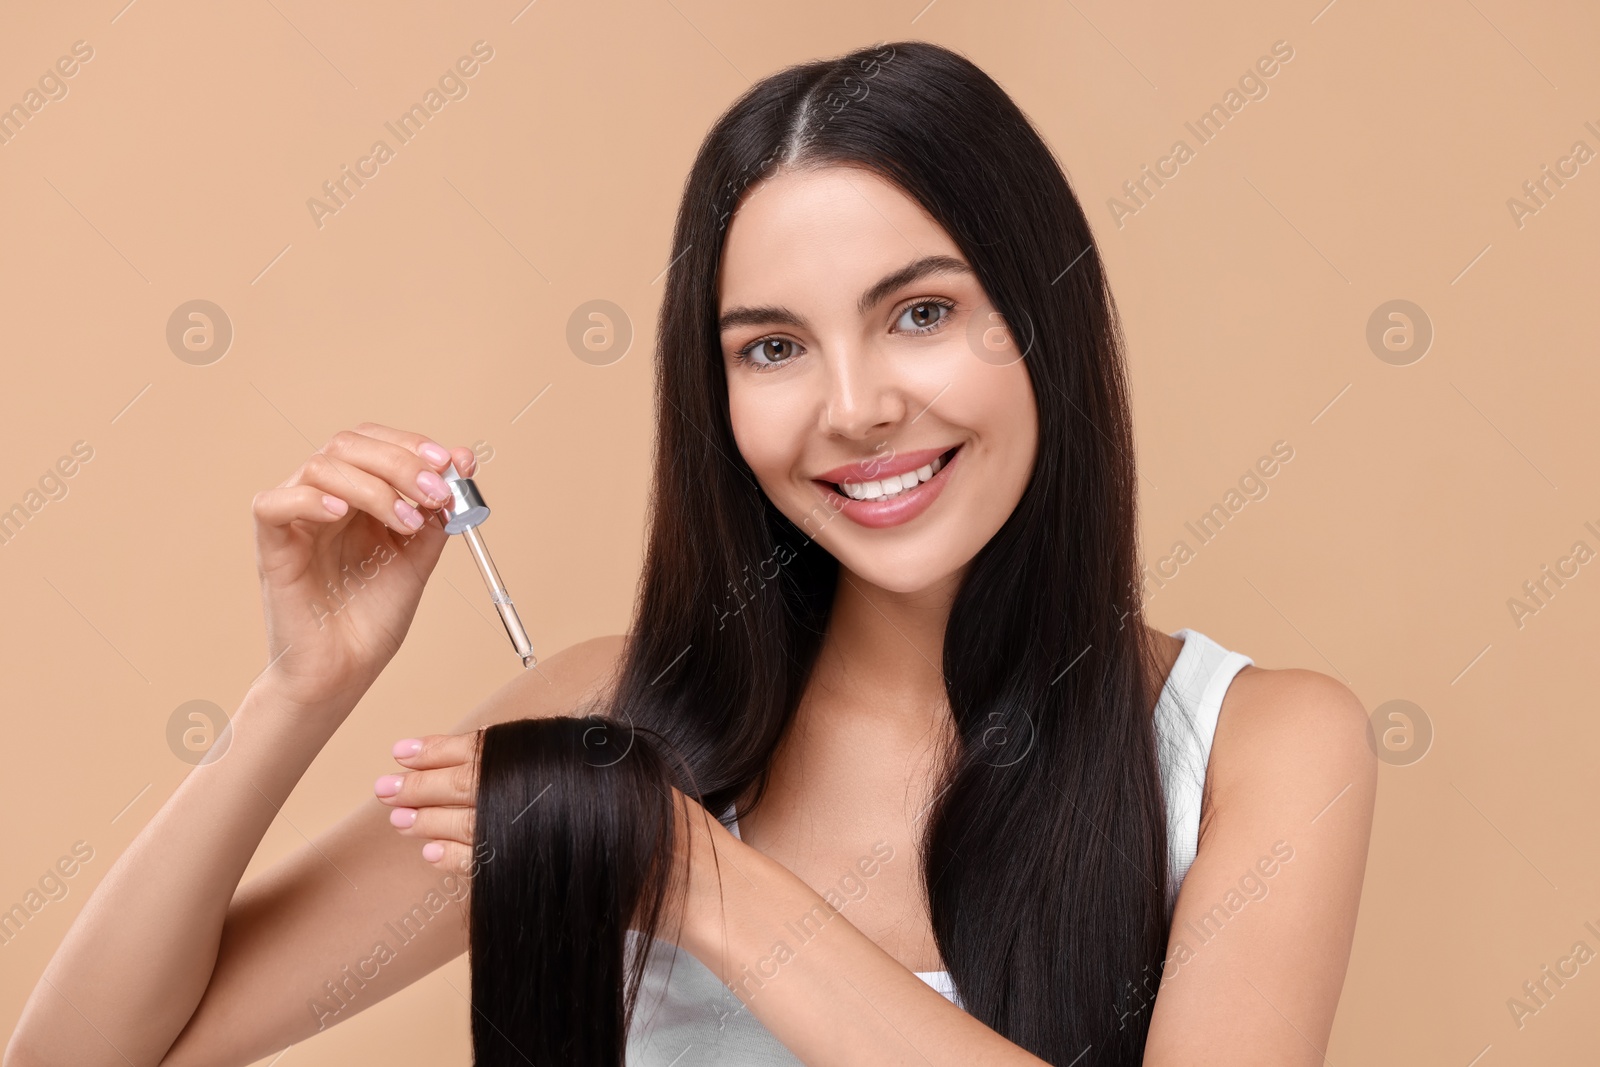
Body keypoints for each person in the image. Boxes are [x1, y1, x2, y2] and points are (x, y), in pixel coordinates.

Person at [6, 39, 1375, 1067]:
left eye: (920, 313)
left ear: (1044, 317)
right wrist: (299, 691)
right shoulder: (609, 722)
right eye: (772, 347)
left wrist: (701, 881)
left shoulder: (1259, 746)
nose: (852, 408)